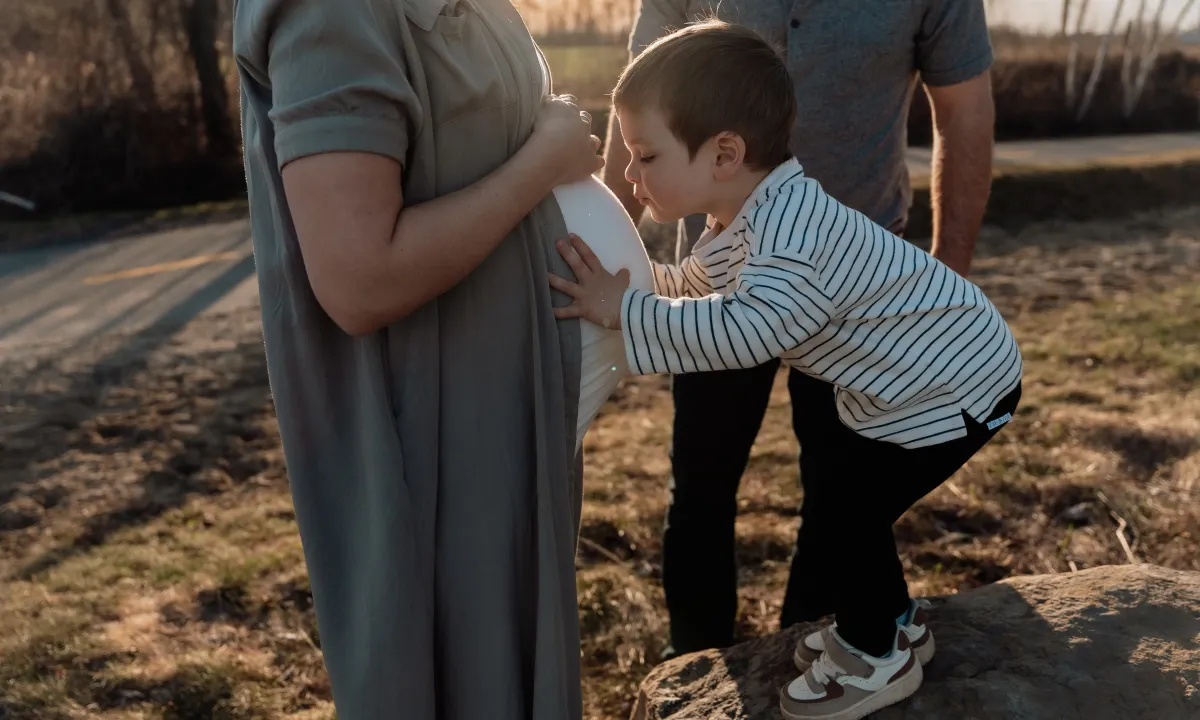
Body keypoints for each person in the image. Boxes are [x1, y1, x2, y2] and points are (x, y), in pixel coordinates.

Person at [549, 21, 1021, 720]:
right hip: (920, 379)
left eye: (646, 155)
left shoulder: (791, 235)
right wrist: (631, 291)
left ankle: (878, 658)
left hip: (955, 384)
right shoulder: (748, 213)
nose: (628, 173)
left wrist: (628, 313)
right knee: (845, 494)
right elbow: (696, 288)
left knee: (847, 509)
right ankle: (892, 620)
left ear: (724, 153)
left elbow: (751, 330)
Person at [232, 0, 608, 717]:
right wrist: (544, 160)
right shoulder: (330, 15)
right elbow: (360, 280)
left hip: (502, 415)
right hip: (429, 441)